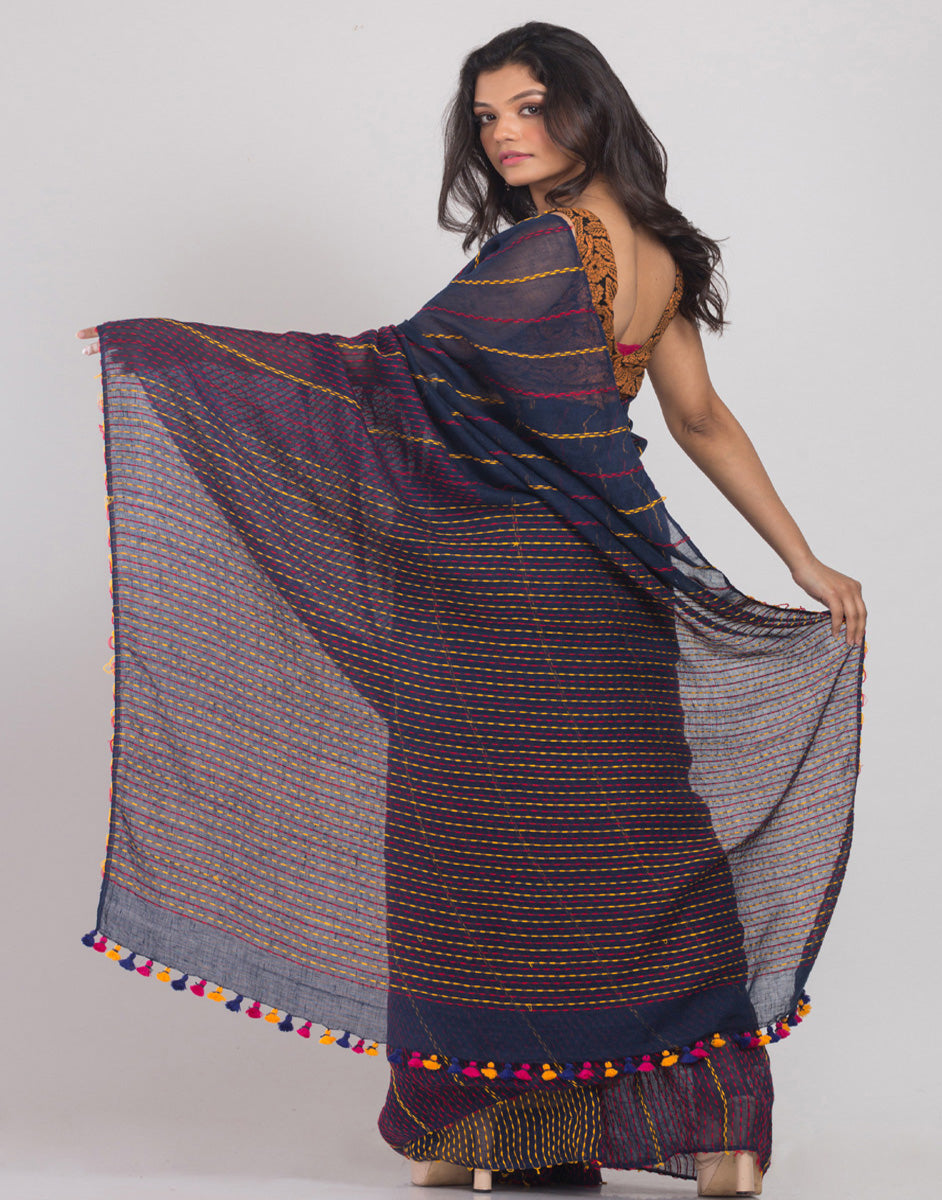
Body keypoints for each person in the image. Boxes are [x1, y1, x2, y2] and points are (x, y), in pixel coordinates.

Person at [77, 21, 865, 1197]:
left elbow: (387, 372)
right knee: (630, 848)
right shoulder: (653, 251)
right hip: (616, 592)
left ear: (589, 106)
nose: (504, 133)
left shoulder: (548, 246)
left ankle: (485, 1130)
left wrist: (176, 352)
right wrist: (801, 557)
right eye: (487, 116)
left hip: (499, 601)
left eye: (530, 106)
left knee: (482, 857)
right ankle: (712, 1132)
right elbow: (697, 419)